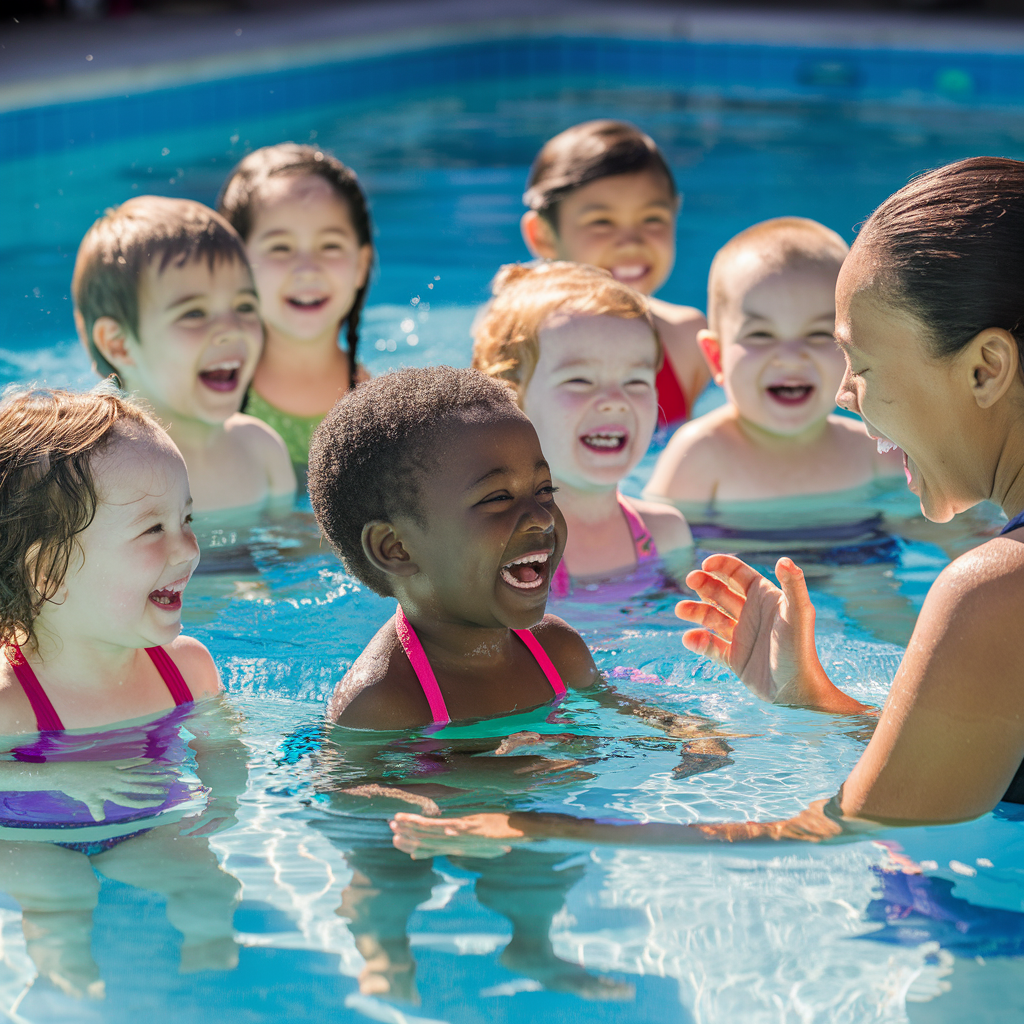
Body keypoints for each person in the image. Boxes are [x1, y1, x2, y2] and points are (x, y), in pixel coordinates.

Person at [388, 156, 1024, 853]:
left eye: (863, 366)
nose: (843, 394)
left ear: (986, 370)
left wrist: (540, 827)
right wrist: (816, 699)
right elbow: (969, 767)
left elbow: (848, 828)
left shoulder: (995, 595)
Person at [307, 365, 729, 742]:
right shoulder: (383, 701)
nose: (541, 518)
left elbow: (620, 715)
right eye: (497, 498)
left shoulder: (556, 650)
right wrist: (506, 776)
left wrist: (688, 732)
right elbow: (354, 799)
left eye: (545, 490)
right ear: (396, 548)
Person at [0, 385, 247, 993]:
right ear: (48, 570)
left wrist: (224, 801)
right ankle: (70, 991)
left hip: (144, 821)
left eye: (186, 519)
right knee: (62, 894)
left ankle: (212, 983)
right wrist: (58, 778)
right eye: (151, 530)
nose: (187, 547)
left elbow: (223, 742)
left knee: (204, 879)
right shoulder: (13, 699)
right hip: (29, 836)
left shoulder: (183, 670)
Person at [644, 217, 904, 511]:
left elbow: (948, 536)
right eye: (761, 335)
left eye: (817, 334)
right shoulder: (700, 456)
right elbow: (662, 547)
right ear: (716, 357)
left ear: (853, 349)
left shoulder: (875, 453)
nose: (791, 357)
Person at [472, 260, 692, 595]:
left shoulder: (664, 534)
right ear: (511, 399)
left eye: (636, 381)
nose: (615, 400)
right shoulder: (497, 546)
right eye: (580, 380)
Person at [73, 195, 296, 513]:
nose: (232, 329)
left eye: (245, 307)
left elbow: (288, 555)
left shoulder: (261, 450)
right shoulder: (96, 475)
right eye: (194, 313)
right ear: (118, 344)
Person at [520, 120, 708, 427]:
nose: (631, 241)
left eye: (652, 218)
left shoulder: (687, 340)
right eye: (601, 222)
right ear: (543, 236)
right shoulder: (521, 343)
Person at [218, 143, 374, 469]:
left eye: (330, 245)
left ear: (361, 265)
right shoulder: (216, 395)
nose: (307, 269)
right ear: (238, 265)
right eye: (280, 247)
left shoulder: (371, 404)